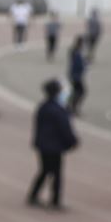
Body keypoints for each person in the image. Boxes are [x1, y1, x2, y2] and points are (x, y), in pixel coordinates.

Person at [28, 79, 78, 209]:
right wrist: (73, 141)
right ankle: (55, 200)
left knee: (44, 171)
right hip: (54, 147)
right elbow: (65, 128)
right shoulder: (59, 109)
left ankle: (33, 195)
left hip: (43, 145)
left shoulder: (43, 106)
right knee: (56, 174)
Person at [67, 35, 89, 117]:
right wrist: (85, 64)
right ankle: (73, 108)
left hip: (74, 75)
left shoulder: (75, 50)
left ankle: (71, 107)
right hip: (76, 76)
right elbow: (79, 64)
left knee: (76, 91)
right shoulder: (77, 52)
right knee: (80, 91)